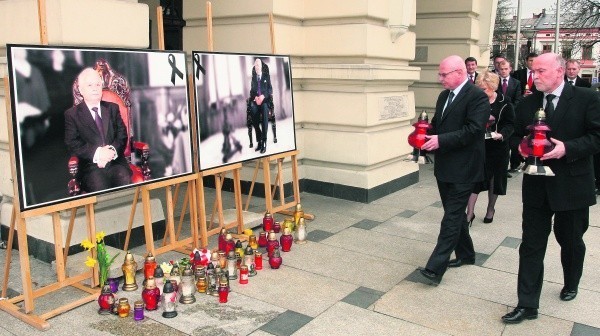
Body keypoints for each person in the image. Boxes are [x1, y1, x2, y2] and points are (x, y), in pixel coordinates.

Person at [502, 53, 600, 324]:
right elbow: (515, 136)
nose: (536, 76)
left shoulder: (586, 98)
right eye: (533, 71)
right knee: (531, 245)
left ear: (559, 71)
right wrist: (521, 148)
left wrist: (566, 148)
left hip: (572, 185)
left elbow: (596, 137)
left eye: (542, 71)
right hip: (537, 186)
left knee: (570, 241)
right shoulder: (527, 103)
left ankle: (571, 282)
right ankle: (527, 304)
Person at [418, 55, 490, 284]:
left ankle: (435, 267)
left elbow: (474, 130)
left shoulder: (477, 96)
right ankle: (467, 254)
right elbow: (439, 125)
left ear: (460, 73)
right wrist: (424, 130)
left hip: (465, 167)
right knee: (455, 213)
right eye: (439, 74)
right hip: (446, 166)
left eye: (443, 74)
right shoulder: (444, 96)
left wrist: (441, 140)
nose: (440, 79)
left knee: (451, 217)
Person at [64, 68, 131, 192]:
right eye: (90, 85)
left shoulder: (112, 108)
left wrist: (111, 151)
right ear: (81, 90)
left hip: (115, 161)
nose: (95, 88)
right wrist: (99, 153)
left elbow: (122, 135)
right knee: (99, 186)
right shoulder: (72, 115)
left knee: (123, 180)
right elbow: (72, 143)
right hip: (90, 166)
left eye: (97, 84)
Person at [465, 71, 514, 225]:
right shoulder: (474, 101)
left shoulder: (504, 101)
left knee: (495, 180)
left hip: (498, 147)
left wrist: (501, 134)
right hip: (479, 145)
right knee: (475, 179)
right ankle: (469, 213)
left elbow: (511, 124)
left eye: (485, 89)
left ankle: (490, 209)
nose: (482, 92)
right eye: (479, 89)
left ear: (493, 88)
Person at [249, 58, 273, 154]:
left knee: (264, 112)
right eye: (255, 65)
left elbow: (270, 90)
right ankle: (259, 141)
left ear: (261, 66)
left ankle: (264, 141)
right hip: (257, 101)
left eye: (258, 65)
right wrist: (255, 97)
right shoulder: (253, 78)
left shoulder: (266, 76)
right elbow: (251, 92)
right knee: (253, 111)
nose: (256, 67)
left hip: (265, 101)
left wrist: (263, 96)